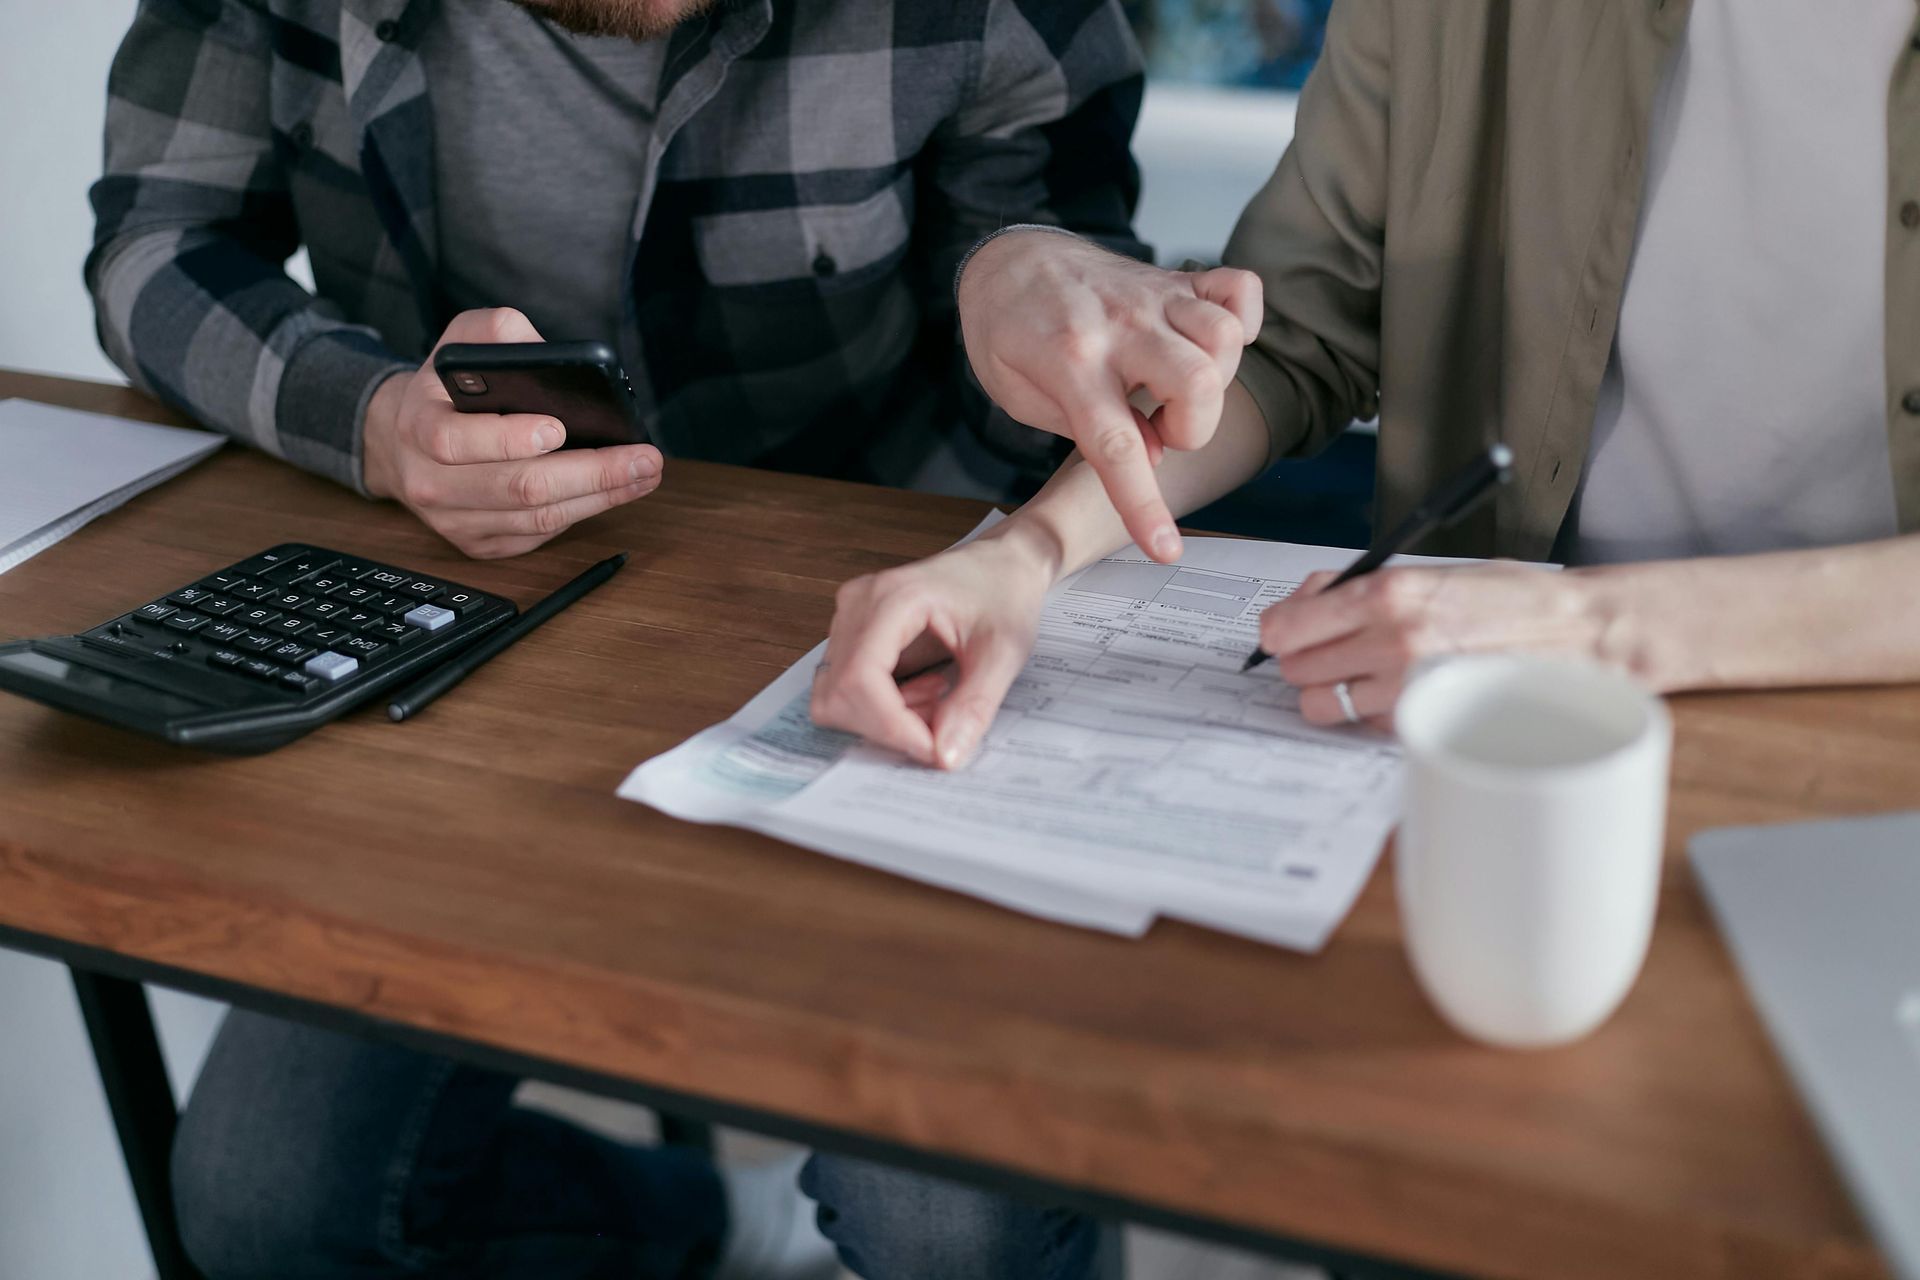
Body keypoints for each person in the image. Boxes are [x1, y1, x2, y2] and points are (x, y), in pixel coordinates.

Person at [86, 0, 1146, 1276]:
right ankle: (706, 1231)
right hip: (480, 627)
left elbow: (1061, 276)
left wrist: (1031, 352)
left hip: (892, 601)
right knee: (267, 1203)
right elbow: (159, 239)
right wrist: (371, 420)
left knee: (945, 1223)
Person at [814, 0, 1920, 779]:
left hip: (1854, 722)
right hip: (1487, 701)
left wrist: (1590, 627)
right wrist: (1030, 552)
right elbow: (1292, 325)